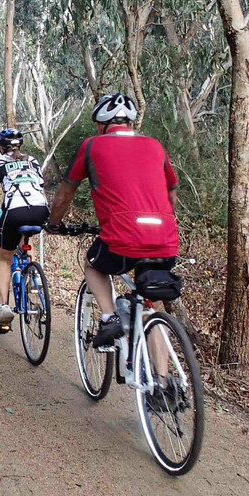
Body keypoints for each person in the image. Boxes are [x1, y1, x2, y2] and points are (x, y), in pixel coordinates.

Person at [46, 93, 178, 353]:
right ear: (131, 123)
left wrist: (53, 223)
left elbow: (65, 194)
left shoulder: (92, 146)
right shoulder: (155, 146)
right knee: (151, 306)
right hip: (165, 238)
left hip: (123, 237)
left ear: (100, 124)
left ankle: (109, 317)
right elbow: (171, 192)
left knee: (92, 264)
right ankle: (163, 377)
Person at [0, 127, 50, 332]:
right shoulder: (33, 161)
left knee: (4, 258)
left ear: (0, 148)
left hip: (14, 211)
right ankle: (33, 279)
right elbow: (40, 188)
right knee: (26, 240)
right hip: (41, 210)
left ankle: (4, 307)